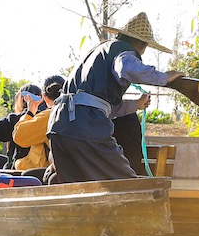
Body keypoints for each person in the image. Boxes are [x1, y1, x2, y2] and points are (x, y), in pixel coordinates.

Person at [47, 12, 183, 183]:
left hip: (59, 126)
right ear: (142, 45)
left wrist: (136, 104)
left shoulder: (98, 52)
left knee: (75, 187)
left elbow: (94, 104)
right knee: (124, 182)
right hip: (85, 127)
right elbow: (126, 67)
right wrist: (164, 77)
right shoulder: (122, 51)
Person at [12, 74, 62, 180]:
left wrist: (30, 113)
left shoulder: (49, 116)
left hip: (53, 173)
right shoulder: (81, 113)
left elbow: (19, 136)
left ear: (44, 97)